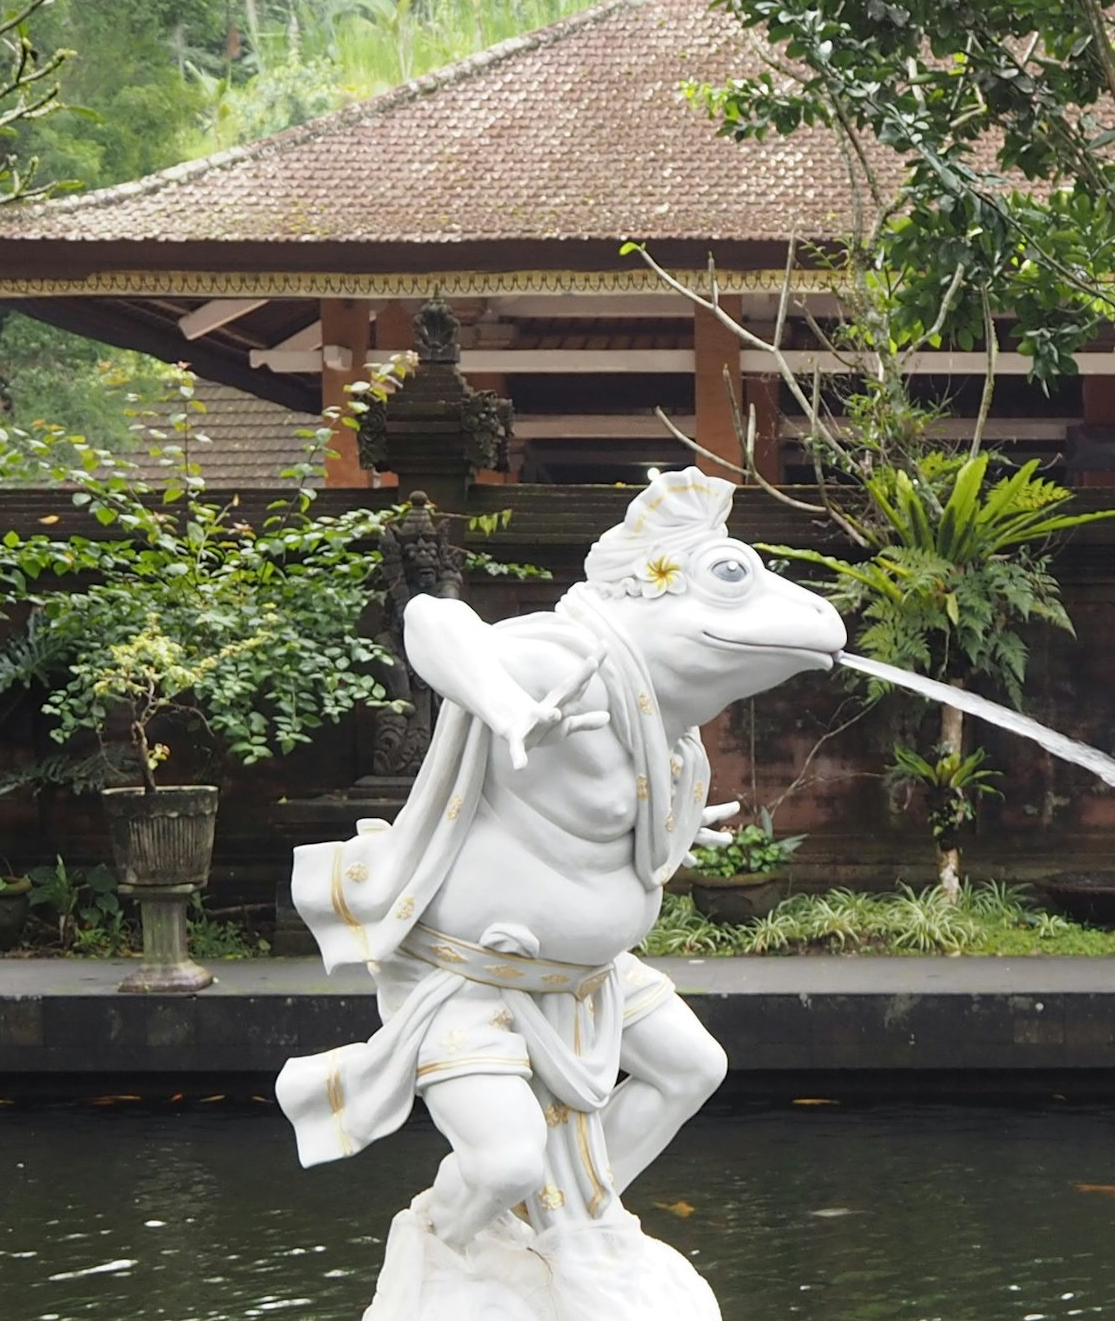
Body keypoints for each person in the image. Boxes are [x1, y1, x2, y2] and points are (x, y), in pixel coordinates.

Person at [278, 470, 847, 1241]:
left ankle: (572, 1223)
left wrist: (676, 827)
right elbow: (430, 621)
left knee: (692, 1069)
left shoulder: (668, 732)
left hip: (589, 977)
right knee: (505, 1163)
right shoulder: (568, 662)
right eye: (727, 577)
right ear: (654, 595)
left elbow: (592, 832)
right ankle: (451, 1251)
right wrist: (505, 704)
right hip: (476, 980)